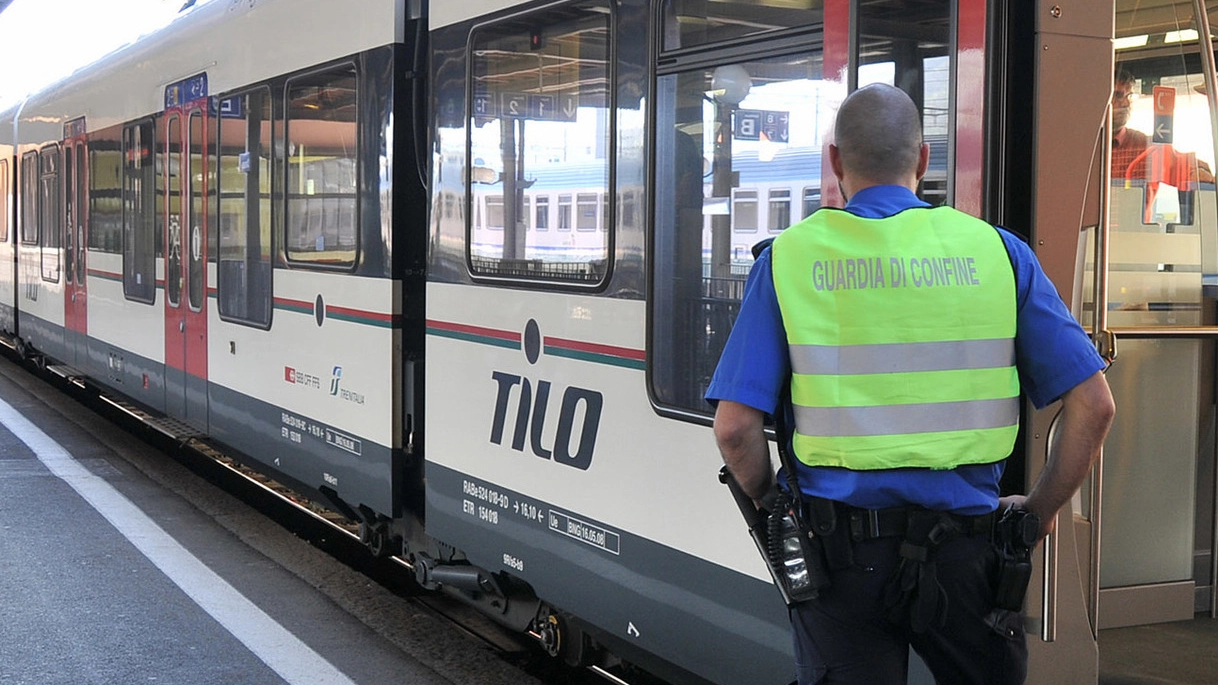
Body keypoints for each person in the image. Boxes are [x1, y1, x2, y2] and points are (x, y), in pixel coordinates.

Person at [708, 83, 1115, 685]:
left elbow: (735, 430)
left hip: (837, 562)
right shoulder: (998, 254)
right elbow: (1094, 406)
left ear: (836, 162)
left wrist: (775, 510)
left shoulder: (790, 260)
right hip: (971, 558)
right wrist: (1039, 511)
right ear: (924, 160)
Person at [1112, 68, 1213, 183]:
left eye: (1129, 96)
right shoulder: (1088, 143)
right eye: (1118, 95)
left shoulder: (1144, 146)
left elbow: (1182, 165)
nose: (1126, 103)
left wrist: (1196, 173)